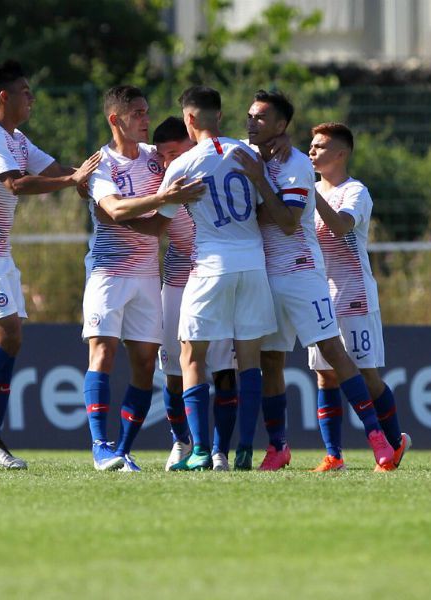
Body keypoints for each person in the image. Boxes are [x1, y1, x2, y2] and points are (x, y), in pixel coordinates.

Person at [0, 59, 101, 468]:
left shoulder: (16, 137)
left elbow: (54, 169)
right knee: (6, 333)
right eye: (26, 91)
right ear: (5, 96)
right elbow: (16, 183)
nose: (32, 97)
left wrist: (93, 179)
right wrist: (71, 181)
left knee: (11, 341)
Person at [235, 91, 395, 472]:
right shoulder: (246, 152)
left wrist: (259, 181)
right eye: (249, 116)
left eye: (260, 118)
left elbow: (289, 223)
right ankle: (279, 448)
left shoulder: (296, 166)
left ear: (280, 125)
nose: (251, 123)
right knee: (272, 361)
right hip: (265, 275)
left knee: (336, 355)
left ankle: (378, 440)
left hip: (303, 274)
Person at [153, 86, 278, 471]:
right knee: (248, 362)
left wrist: (119, 213)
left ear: (189, 120)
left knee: (193, 355)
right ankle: (239, 451)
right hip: (254, 266)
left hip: (210, 268)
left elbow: (160, 223)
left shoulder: (184, 165)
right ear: (219, 116)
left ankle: (203, 451)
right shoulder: (249, 151)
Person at [82, 87, 203, 472]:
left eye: (147, 111)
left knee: (145, 363)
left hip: (149, 274)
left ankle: (123, 450)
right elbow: (113, 208)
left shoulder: (156, 157)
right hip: (108, 271)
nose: (146, 119)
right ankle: (101, 447)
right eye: (138, 113)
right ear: (116, 119)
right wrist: (159, 199)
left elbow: (194, 151)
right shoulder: (102, 164)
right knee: (103, 351)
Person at [308, 122, 411, 472]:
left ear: (341, 153)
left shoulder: (356, 192)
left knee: (366, 373)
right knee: (325, 376)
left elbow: (340, 227)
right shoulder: (307, 190)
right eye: (311, 146)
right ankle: (334, 455)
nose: (311, 152)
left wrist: (311, 193)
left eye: (319, 147)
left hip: (354, 293)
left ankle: (395, 443)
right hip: (319, 294)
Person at [149, 117, 239, 472]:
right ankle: (182, 441)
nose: (168, 162)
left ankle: (219, 451)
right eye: (162, 156)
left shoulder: (218, 170)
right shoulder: (164, 180)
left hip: (215, 280)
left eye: (174, 152)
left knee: (223, 370)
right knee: (174, 370)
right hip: (176, 284)